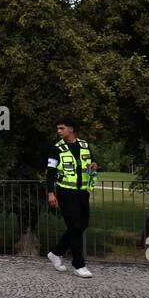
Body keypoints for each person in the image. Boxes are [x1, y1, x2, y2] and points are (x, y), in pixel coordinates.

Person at [45, 117, 96, 278]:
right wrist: (51, 193)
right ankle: (78, 265)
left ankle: (56, 252)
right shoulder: (56, 149)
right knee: (75, 226)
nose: (59, 131)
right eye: (58, 128)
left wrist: (95, 165)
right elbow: (50, 173)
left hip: (82, 192)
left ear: (71, 129)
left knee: (82, 224)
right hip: (65, 192)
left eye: (62, 128)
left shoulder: (84, 145)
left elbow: (92, 162)